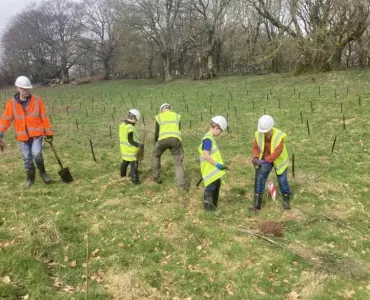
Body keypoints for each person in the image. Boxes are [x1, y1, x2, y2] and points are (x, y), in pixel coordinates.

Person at [0, 76, 53, 189]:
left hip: (37, 135)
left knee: (36, 154)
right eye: (24, 89)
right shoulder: (12, 103)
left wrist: (49, 132)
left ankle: (43, 173)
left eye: (28, 89)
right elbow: (6, 119)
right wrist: (0, 131)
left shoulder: (37, 101)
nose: (27, 91)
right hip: (22, 136)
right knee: (27, 158)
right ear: (18, 88)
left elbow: (44, 117)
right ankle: (30, 179)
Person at [251, 115, 291, 211]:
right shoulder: (258, 134)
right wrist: (256, 157)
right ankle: (257, 204)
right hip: (265, 159)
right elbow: (256, 147)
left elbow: (278, 151)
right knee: (260, 179)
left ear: (271, 127)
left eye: (266, 131)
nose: (264, 133)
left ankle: (286, 201)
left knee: (282, 181)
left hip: (279, 160)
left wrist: (265, 161)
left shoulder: (279, 135)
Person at [152, 103, 186, 189]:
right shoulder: (176, 116)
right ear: (170, 108)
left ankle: (156, 177)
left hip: (162, 140)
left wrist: (155, 143)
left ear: (161, 110)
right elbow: (178, 129)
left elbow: (157, 132)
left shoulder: (159, 116)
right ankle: (181, 186)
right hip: (175, 140)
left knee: (155, 155)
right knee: (178, 162)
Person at [198, 116, 229, 211]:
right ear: (216, 127)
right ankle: (208, 212)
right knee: (210, 190)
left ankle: (213, 209)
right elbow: (206, 155)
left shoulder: (210, 138)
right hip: (210, 170)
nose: (220, 133)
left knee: (216, 187)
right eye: (221, 130)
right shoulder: (208, 139)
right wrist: (218, 165)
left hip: (214, 171)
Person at [119, 109, 144, 185]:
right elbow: (130, 140)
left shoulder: (122, 125)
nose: (136, 121)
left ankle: (122, 177)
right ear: (134, 118)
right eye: (136, 119)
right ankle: (135, 181)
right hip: (131, 150)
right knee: (134, 166)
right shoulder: (130, 127)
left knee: (124, 163)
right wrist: (139, 145)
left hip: (124, 149)